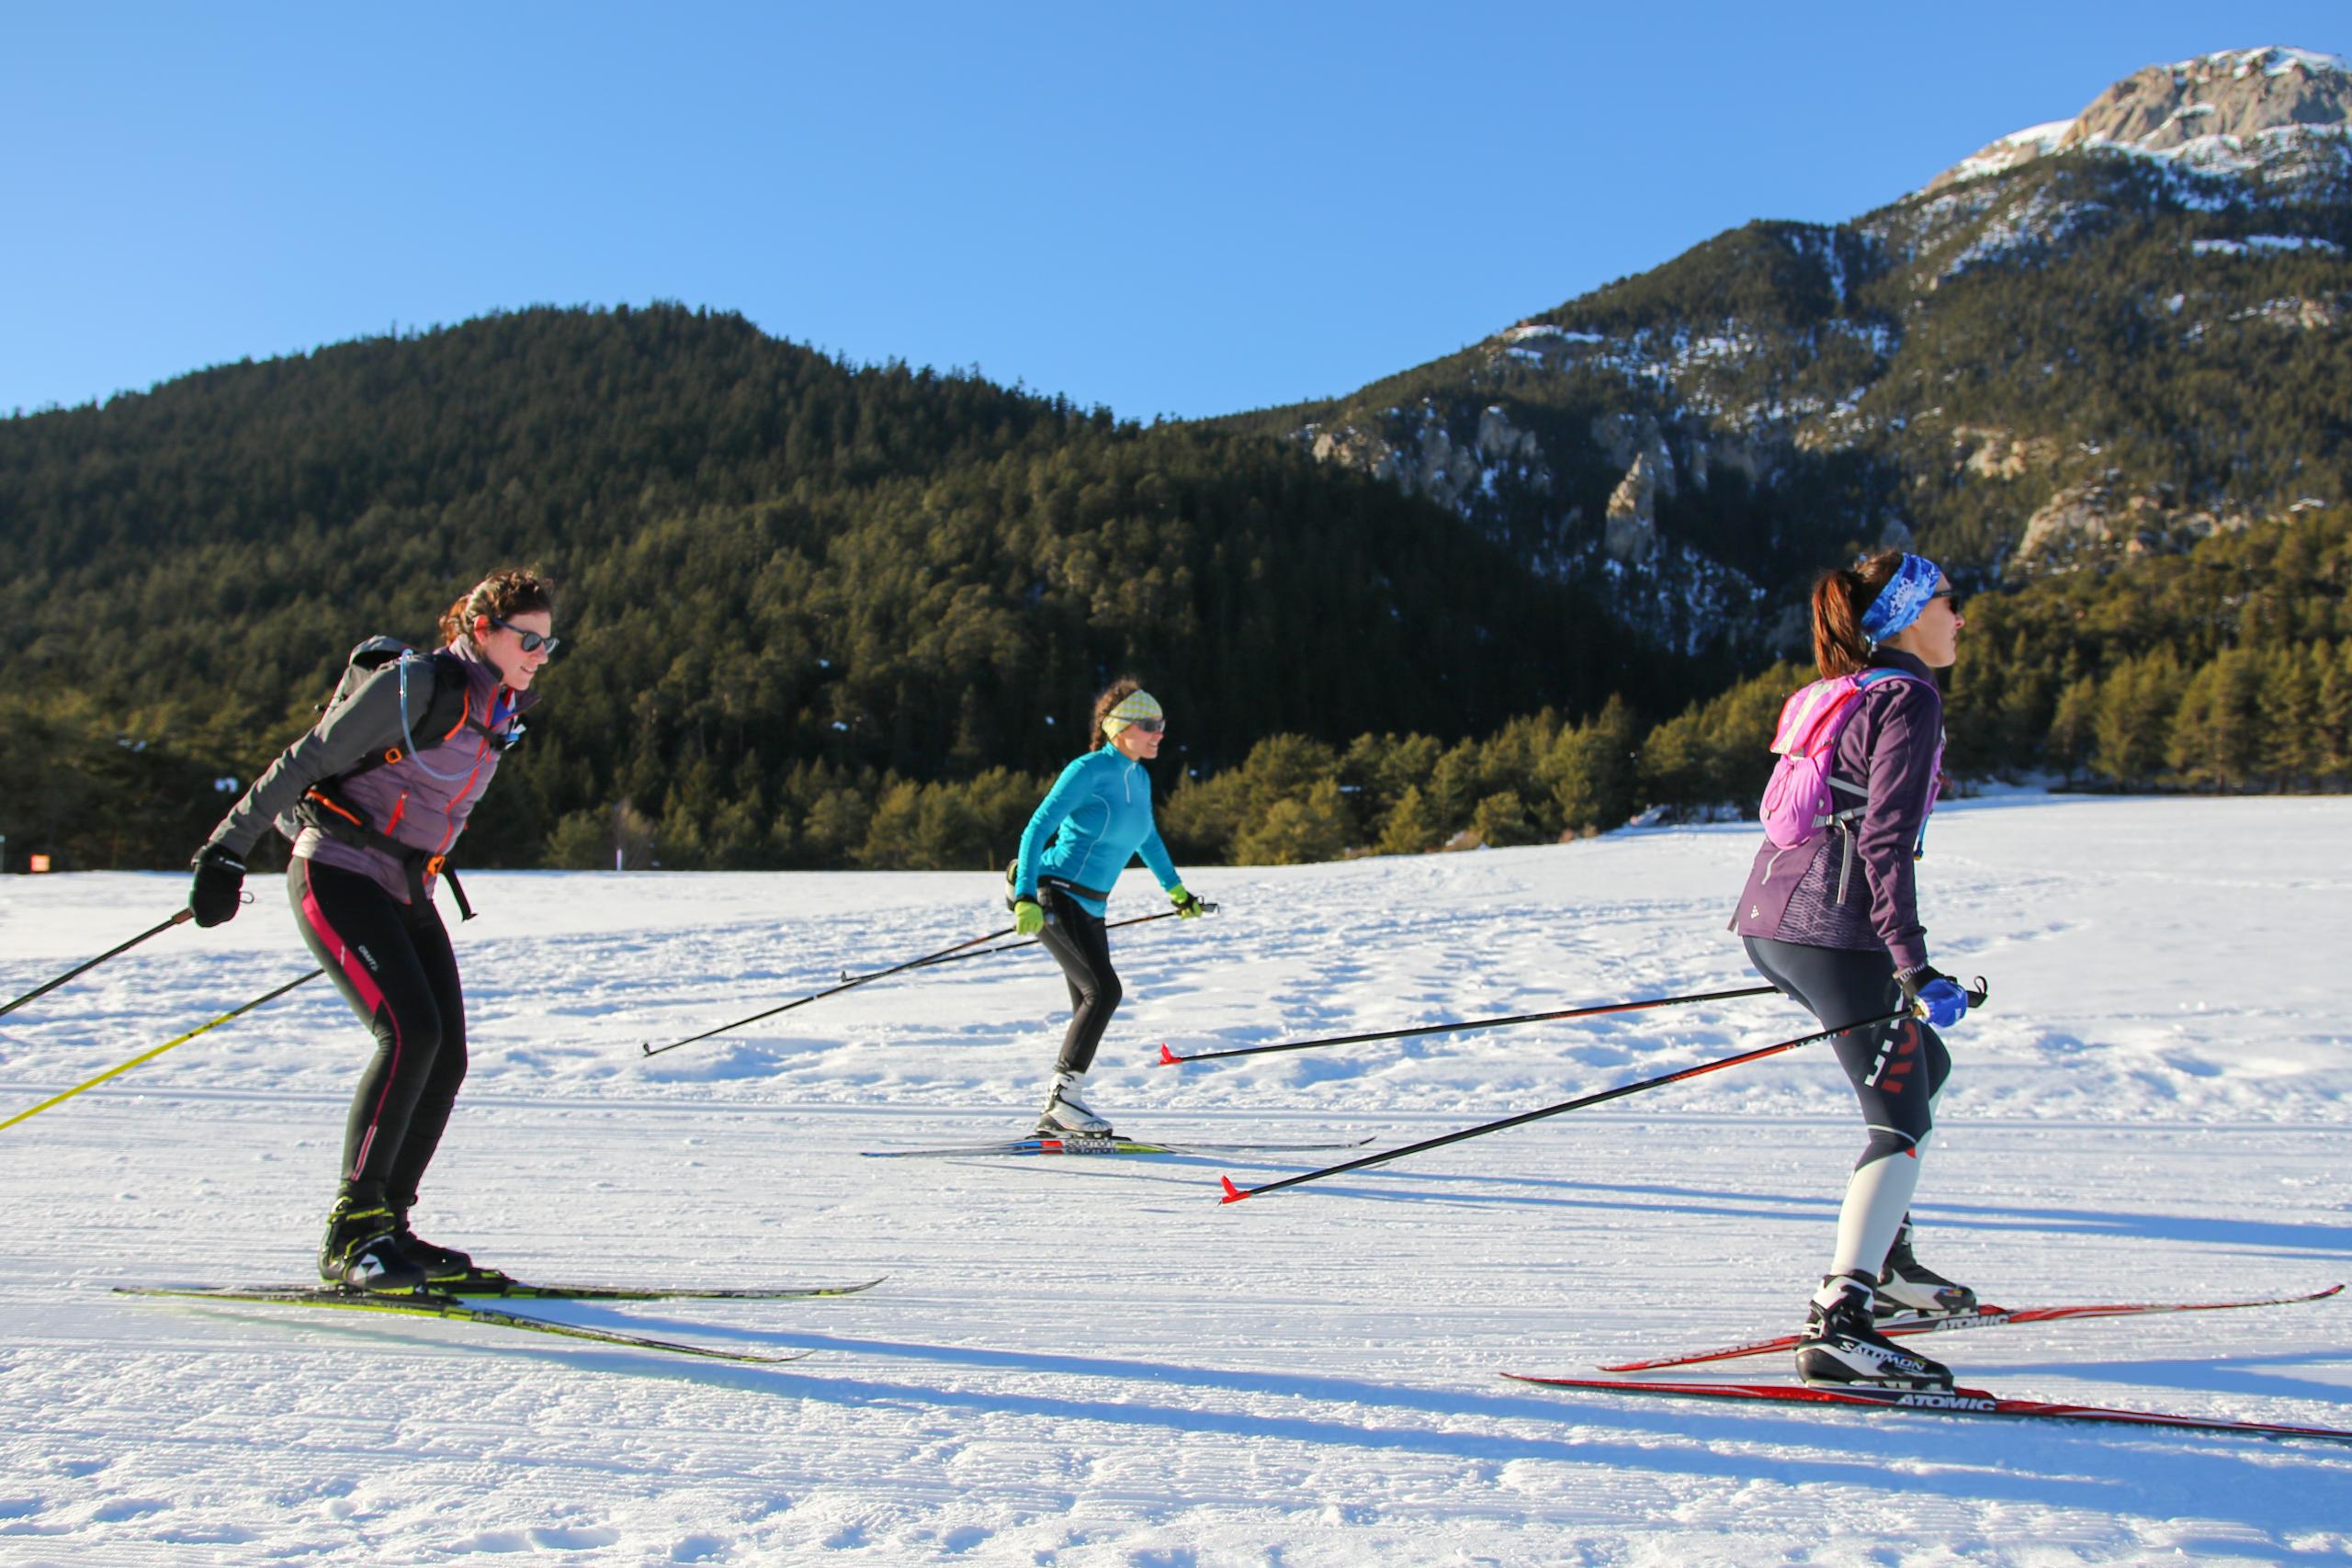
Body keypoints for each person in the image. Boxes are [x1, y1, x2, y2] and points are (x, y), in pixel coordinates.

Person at [187, 570, 555, 1292]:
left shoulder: (499, 708)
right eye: (529, 637)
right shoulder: (420, 683)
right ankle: (350, 1234)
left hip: (404, 885)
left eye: (550, 640)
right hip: (337, 870)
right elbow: (309, 756)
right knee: (410, 1033)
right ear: (482, 629)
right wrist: (225, 851)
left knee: (444, 1051)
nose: (542, 652)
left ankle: (389, 1226)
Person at [1732, 550, 1978, 1390]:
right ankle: (1842, 1320)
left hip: (1777, 918)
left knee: (1925, 1066)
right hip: (1833, 930)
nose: (1960, 616)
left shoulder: (1855, 689)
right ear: (1912, 613)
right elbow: (1881, 841)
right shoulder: (1908, 697)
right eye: (1951, 601)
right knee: (1899, 1113)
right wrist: (1910, 961)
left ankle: (1893, 1269)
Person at [1009, 681, 1205, 1136]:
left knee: (1088, 1000)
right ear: (1119, 729)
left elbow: (1148, 839)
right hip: (1052, 892)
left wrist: (1177, 891)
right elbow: (1037, 829)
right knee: (1104, 992)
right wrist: (1023, 895)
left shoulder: (1139, 776)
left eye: (1162, 725)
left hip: (1091, 904)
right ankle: (1063, 1102)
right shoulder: (1088, 771)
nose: (1160, 734)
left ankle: (1060, 1112)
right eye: (1150, 725)